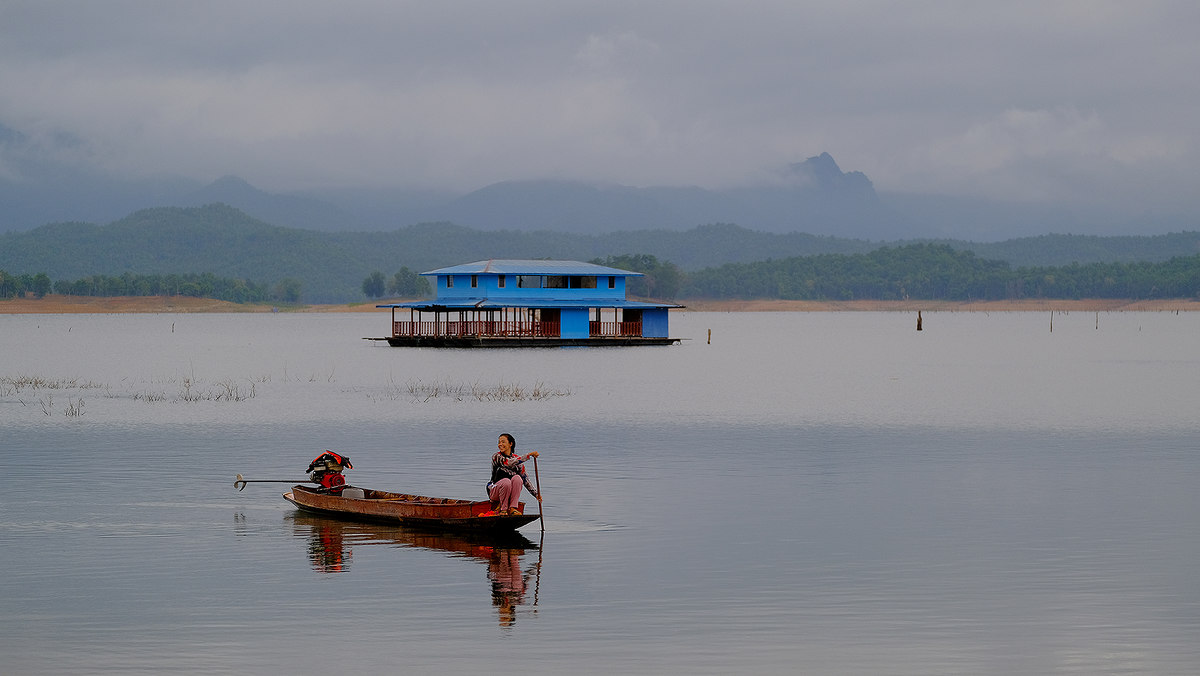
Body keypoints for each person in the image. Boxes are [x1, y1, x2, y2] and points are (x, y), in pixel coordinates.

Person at [488, 433, 541, 515]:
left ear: (510, 444)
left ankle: (513, 508)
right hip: (495, 490)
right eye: (499, 442)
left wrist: (536, 494)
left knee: (517, 478)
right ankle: (503, 509)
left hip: (508, 491)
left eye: (503, 442)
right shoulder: (496, 457)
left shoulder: (517, 460)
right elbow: (508, 463)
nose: (500, 444)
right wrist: (528, 455)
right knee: (506, 481)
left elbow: (525, 479)